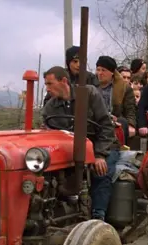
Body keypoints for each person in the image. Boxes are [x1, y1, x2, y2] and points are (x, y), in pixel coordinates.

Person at [41, 66, 120, 221]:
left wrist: (99, 154)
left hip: (101, 145)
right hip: (71, 152)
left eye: (50, 84)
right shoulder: (50, 107)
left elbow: (106, 125)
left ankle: (98, 216)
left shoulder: (89, 94)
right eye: (46, 85)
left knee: (100, 171)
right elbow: (49, 134)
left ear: (63, 81)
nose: (47, 89)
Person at [95, 55, 137, 142]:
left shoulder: (124, 88)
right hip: (95, 122)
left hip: (115, 122)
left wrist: (131, 125)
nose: (100, 73)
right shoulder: (92, 86)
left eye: (103, 70)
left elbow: (130, 109)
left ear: (112, 72)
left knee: (122, 123)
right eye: (98, 70)